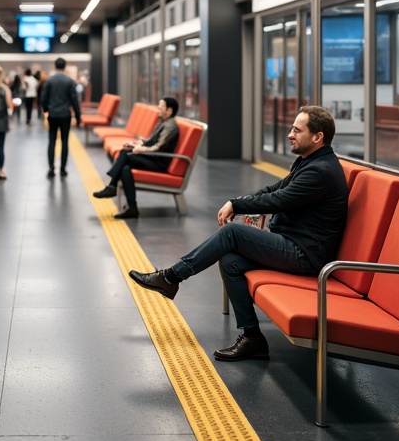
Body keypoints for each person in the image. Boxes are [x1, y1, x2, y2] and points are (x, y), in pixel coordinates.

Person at [128, 106, 349, 362]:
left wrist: (237, 205)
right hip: (293, 244)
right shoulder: (309, 162)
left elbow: (279, 199)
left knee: (232, 232)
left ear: (317, 137)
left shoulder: (320, 171)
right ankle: (252, 336)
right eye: (291, 128)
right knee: (231, 261)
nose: (290, 134)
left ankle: (171, 276)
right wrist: (240, 200)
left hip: (306, 255)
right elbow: (274, 188)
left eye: (296, 130)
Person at [93, 97, 181, 218]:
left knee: (125, 153)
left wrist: (141, 149)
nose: (158, 109)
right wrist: (138, 144)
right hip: (153, 158)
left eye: (161, 107)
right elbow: (151, 142)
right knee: (125, 169)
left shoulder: (170, 127)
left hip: (159, 162)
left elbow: (159, 148)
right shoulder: (164, 123)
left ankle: (111, 186)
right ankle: (132, 208)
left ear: (169, 110)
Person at [40, 57, 81, 178]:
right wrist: (78, 117)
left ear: (55, 66)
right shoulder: (69, 81)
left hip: (52, 115)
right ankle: (63, 169)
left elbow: (43, 99)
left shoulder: (49, 81)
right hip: (65, 115)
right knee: (64, 141)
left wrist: (47, 110)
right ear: (65, 66)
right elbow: (74, 100)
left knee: (51, 140)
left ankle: (51, 168)